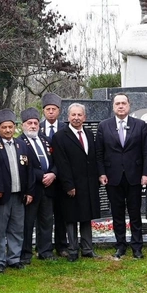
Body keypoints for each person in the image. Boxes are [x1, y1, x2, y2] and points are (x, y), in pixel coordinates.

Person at [96, 93, 147, 259]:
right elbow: (99, 153)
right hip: (113, 177)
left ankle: (137, 247)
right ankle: (120, 246)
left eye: (123, 103)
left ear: (129, 105)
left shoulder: (140, 125)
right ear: (113, 106)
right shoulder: (104, 126)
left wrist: (146, 173)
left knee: (135, 214)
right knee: (117, 214)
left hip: (134, 176)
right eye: (117, 103)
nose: (120, 106)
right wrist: (101, 173)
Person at [51, 103, 102, 261]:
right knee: (71, 218)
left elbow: (92, 158)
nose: (76, 118)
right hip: (71, 185)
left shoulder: (89, 134)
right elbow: (61, 163)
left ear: (84, 117)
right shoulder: (60, 136)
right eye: (73, 115)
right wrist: (68, 185)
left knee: (87, 216)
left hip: (88, 184)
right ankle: (72, 250)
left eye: (79, 115)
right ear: (68, 117)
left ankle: (87, 248)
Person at [0, 110, 37, 272]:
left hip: (19, 195)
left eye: (10, 127)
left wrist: (29, 191)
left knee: (17, 228)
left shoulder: (21, 144)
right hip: (2, 195)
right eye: (4, 127)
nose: (8, 130)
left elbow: (29, 170)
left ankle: (14, 258)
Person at [19, 107, 57, 263]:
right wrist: (42, 176)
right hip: (31, 188)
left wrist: (53, 173)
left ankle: (45, 251)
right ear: (23, 125)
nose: (33, 126)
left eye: (35, 123)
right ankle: (25, 253)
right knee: (28, 222)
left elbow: (56, 160)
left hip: (48, 187)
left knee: (46, 220)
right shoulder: (20, 142)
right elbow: (24, 166)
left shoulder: (46, 140)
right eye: (30, 123)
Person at [40, 92, 69, 257]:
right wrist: (46, 175)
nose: (51, 112)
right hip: (43, 180)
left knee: (61, 214)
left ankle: (62, 246)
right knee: (44, 216)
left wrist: (54, 173)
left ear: (59, 111)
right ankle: (44, 247)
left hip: (60, 179)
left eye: (54, 109)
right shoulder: (37, 128)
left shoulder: (65, 129)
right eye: (48, 109)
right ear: (43, 111)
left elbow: (66, 157)